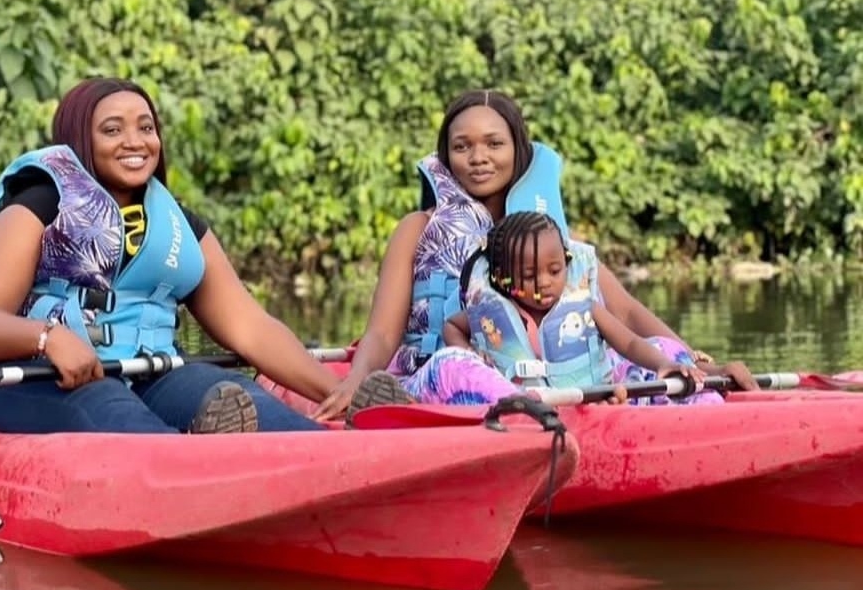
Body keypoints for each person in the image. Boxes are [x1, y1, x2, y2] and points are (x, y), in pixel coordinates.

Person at [316, 89, 757, 420]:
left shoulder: (549, 236)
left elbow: (624, 310)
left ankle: (710, 412)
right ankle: (536, 419)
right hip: (451, 379)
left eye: (494, 143)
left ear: (518, 150)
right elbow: (381, 334)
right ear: (447, 156)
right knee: (456, 364)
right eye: (462, 146)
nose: (478, 158)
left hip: (564, 382)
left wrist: (694, 361)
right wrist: (356, 379)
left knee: (659, 348)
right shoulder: (418, 228)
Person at [0, 77, 337, 434]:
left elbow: (251, 328)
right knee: (112, 409)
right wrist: (47, 338)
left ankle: (311, 459)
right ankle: (197, 471)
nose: (135, 142)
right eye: (112, 130)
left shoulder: (178, 225)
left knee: (232, 392)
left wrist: (336, 393)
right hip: (40, 380)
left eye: (146, 128)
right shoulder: (39, 205)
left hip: (152, 373)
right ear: (81, 139)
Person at [443, 211, 721, 404]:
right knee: (449, 364)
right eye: (529, 276)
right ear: (501, 277)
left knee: (662, 348)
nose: (545, 283)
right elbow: (452, 326)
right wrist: (469, 353)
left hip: (590, 403)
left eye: (555, 270)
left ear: (566, 262)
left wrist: (663, 364)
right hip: (522, 409)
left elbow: (631, 344)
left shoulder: (585, 308)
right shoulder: (489, 313)